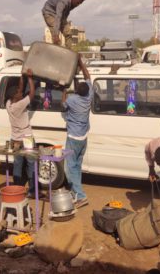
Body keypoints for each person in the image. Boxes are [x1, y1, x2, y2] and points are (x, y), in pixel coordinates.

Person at [61, 56, 93, 208]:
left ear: (76, 92)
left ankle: (80, 196)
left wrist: (63, 90)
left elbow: (62, 105)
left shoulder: (72, 100)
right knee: (77, 167)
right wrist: (80, 61)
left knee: (69, 168)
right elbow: (88, 76)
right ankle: (75, 193)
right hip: (83, 138)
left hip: (73, 138)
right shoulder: (88, 96)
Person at [6, 69, 38, 198]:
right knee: (31, 164)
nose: (21, 93)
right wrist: (30, 78)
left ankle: (17, 189)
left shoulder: (9, 103)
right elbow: (32, 94)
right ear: (15, 96)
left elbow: (19, 89)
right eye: (19, 93)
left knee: (18, 165)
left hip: (15, 139)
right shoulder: (19, 105)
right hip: (27, 138)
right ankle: (32, 190)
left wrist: (22, 76)